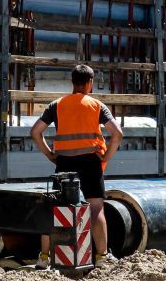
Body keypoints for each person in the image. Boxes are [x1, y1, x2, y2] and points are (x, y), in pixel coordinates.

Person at [32, 63, 123, 265]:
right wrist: (106, 156)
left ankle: (44, 257)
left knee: (56, 207)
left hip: (64, 162)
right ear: (90, 83)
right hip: (91, 161)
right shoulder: (97, 106)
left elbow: (35, 132)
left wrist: (49, 154)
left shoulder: (57, 105)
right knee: (96, 207)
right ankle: (102, 256)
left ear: (73, 82)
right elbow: (117, 134)